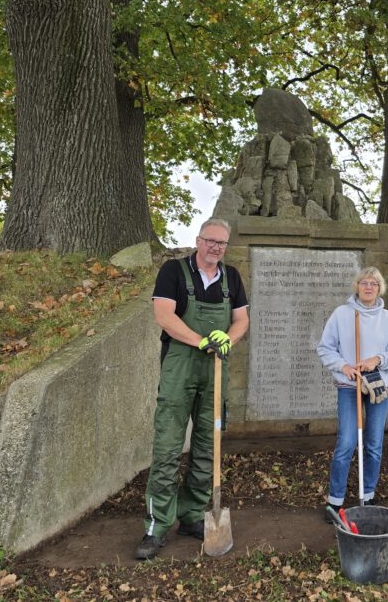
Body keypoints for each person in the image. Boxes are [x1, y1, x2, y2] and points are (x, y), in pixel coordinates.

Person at [136, 218, 249, 560]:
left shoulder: (231, 278)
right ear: (198, 241)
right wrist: (202, 342)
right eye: (211, 241)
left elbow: (241, 319)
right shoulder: (174, 271)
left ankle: (192, 516)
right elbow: (164, 316)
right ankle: (156, 526)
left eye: (222, 243)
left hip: (214, 368)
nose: (216, 248)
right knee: (169, 447)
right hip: (181, 365)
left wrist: (226, 340)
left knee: (207, 445)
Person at [317, 266, 388, 521]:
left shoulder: (387, 318)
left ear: (380, 289)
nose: (368, 287)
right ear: (357, 286)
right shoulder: (342, 314)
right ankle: (335, 501)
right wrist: (343, 366)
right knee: (346, 442)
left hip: (380, 386)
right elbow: (325, 348)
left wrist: (376, 359)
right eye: (364, 282)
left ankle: (367, 493)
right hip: (349, 386)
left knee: (374, 444)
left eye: (374, 284)